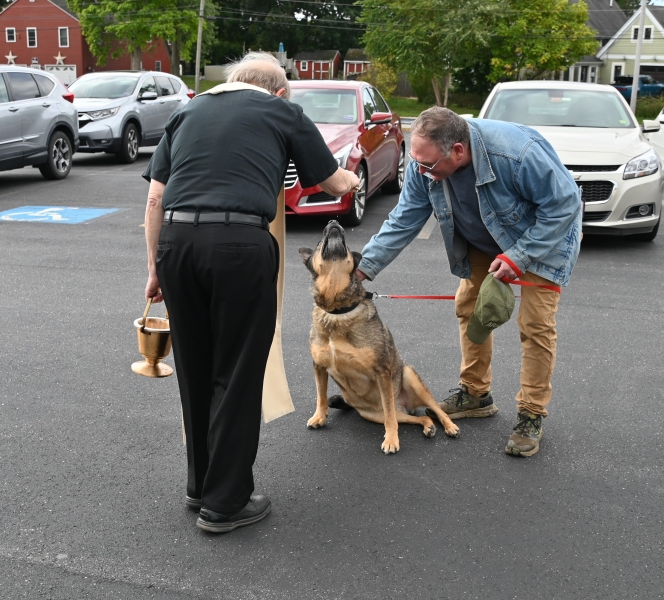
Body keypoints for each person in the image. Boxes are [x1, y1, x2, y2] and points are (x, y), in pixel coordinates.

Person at [143, 52, 359, 532]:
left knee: (195, 370)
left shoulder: (188, 110)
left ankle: (199, 485)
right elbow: (329, 181)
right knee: (238, 372)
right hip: (240, 245)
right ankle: (225, 502)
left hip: (177, 244)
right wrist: (353, 179)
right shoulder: (282, 111)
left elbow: (156, 196)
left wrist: (155, 267)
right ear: (278, 91)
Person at [355, 107, 581, 457]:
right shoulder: (425, 163)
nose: (421, 171)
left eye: (427, 165)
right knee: (469, 306)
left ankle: (531, 413)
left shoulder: (517, 153)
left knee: (535, 324)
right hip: (482, 239)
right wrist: (363, 268)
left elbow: (565, 205)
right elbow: (405, 217)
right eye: (416, 161)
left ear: (457, 151)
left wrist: (518, 257)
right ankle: (475, 393)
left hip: (543, 240)